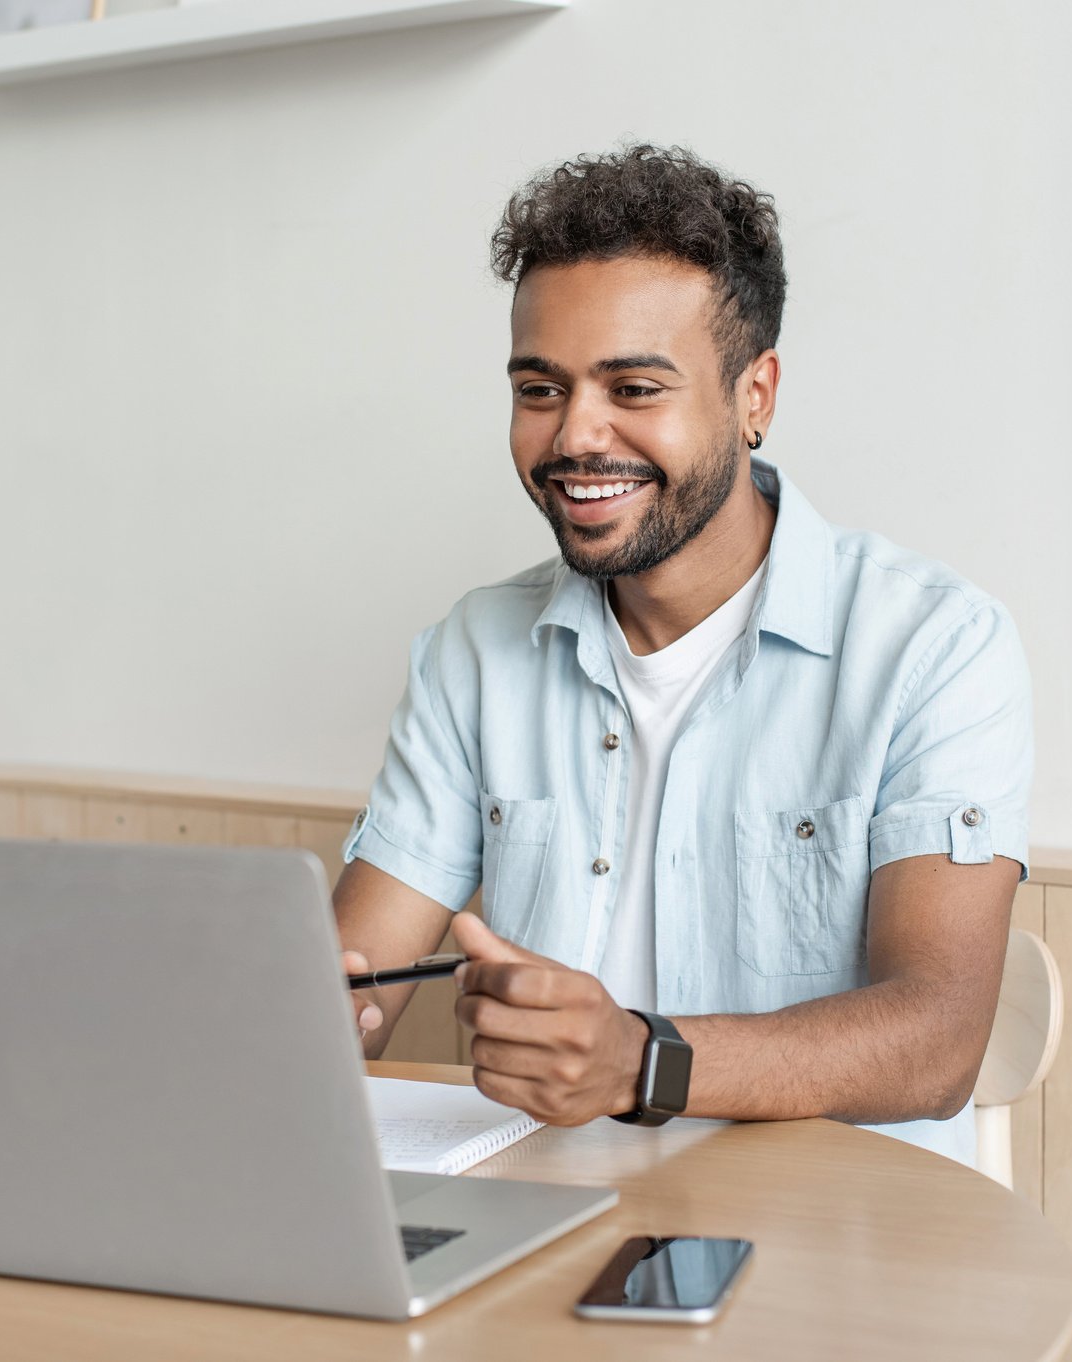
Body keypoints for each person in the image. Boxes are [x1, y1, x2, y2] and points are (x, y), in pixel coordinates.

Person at [334, 145, 1032, 1164]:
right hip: (544, 1228)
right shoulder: (472, 652)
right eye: (540, 389)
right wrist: (312, 1022)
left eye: (634, 388)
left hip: (837, 1250)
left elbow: (935, 1043)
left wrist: (640, 1062)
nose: (575, 435)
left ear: (755, 395)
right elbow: (353, 979)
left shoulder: (934, 646)